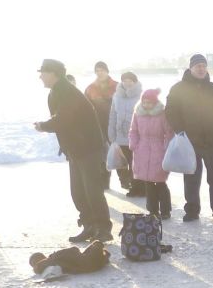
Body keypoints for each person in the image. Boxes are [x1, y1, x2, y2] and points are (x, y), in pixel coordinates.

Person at [34, 58, 113, 243]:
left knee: (92, 190)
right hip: (75, 148)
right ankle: (90, 226)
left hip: (87, 148)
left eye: (42, 72)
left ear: (53, 73)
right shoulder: (56, 91)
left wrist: (43, 126)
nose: (40, 77)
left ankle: (103, 229)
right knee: (78, 191)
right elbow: (63, 121)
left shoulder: (66, 92)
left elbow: (64, 119)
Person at [165, 54, 213, 221]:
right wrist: (181, 131)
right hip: (190, 142)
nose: (201, 69)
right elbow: (171, 111)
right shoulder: (178, 89)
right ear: (190, 68)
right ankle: (192, 210)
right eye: (197, 66)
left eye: (203, 66)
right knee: (191, 177)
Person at [128, 88, 174, 218]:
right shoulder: (137, 113)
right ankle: (152, 210)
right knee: (148, 183)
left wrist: (166, 148)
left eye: (149, 102)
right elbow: (133, 131)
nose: (146, 105)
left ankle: (165, 210)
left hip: (159, 150)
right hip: (141, 150)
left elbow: (169, 132)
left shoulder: (162, 114)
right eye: (144, 102)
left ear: (155, 103)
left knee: (160, 182)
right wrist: (134, 144)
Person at [85, 61, 124, 189]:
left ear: (107, 71)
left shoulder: (118, 86)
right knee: (103, 154)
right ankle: (104, 182)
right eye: (97, 70)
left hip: (117, 125)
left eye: (102, 70)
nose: (99, 72)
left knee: (120, 152)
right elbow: (85, 108)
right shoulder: (90, 88)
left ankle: (125, 180)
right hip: (98, 126)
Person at [108, 71, 143, 197]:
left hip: (136, 135)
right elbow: (112, 115)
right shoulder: (116, 96)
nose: (127, 83)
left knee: (136, 162)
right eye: (125, 80)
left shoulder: (141, 95)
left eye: (130, 80)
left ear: (135, 82)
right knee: (122, 162)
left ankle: (138, 187)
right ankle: (128, 184)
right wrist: (111, 132)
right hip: (120, 134)